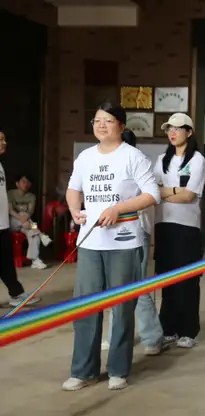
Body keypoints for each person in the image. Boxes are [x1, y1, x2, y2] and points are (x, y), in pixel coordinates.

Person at [63, 101, 160, 391]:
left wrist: (119, 208)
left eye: (107, 120)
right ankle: (83, 370)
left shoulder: (133, 157)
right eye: (96, 120)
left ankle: (118, 369)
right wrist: (73, 209)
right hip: (91, 241)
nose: (101, 125)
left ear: (121, 125)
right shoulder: (85, 157)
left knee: (121, 307)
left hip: (124, 242)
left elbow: (152, 194)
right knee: (86, 306)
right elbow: (73, 188)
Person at [102, 129, 165, 356]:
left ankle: (152, 337)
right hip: (110, 234)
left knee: (137, 286)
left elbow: (149, 200)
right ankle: (115, 335)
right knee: (115, 287)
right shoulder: (108, 164)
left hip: (135, 233)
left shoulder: (138, 164)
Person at [154, 113, 205, 349]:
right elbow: (153, 191)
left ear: (189, 132)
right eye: (169, 129)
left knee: (187, 280)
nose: (172, 133)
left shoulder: (197, 160)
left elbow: (188, 196)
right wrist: (174, 191)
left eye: (178, 128)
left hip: (187, 228)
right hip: (164, 225)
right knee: (166, 278)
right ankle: (168, 328)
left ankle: (188, 331)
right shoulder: (161, 160)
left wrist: (167, 191)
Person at [0, 129, 41, 307]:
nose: (4, 143)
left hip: (2, 224)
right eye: (0, 139)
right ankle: (16, 293)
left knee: (6, 261)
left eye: (4, 139)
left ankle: (16, 294)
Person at [8, 174, 52, 269]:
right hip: (13, 222)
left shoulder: (31, 196)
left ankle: (35, 260)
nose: (26, 184)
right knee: (27, 219)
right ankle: (42, 235)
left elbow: (30, 212)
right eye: (23, 181)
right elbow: (10, 210)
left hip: (26, 224)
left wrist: (25, 219)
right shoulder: (11, 193)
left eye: (28, 182)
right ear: (17, 184)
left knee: (33, 233)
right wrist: (22, 219)